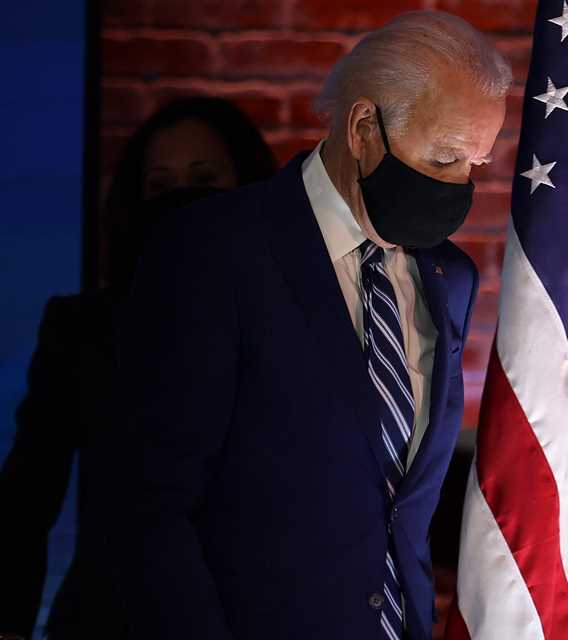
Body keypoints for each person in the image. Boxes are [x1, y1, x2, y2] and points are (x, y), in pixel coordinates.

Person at [119, 11, 509, 640]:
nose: (459, 185)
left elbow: (396, 503)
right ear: (363, 128)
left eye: (474, 163)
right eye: (442, 158)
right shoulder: (216, 251)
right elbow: (152, 507)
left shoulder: (450, 278)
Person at [0, 97, 276, 640]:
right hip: (108, 618)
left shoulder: (290, 320)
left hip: (253, 614)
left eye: (204, 178)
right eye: (159, 186)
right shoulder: (82, 326)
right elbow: (27, 494)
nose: (181, 200)